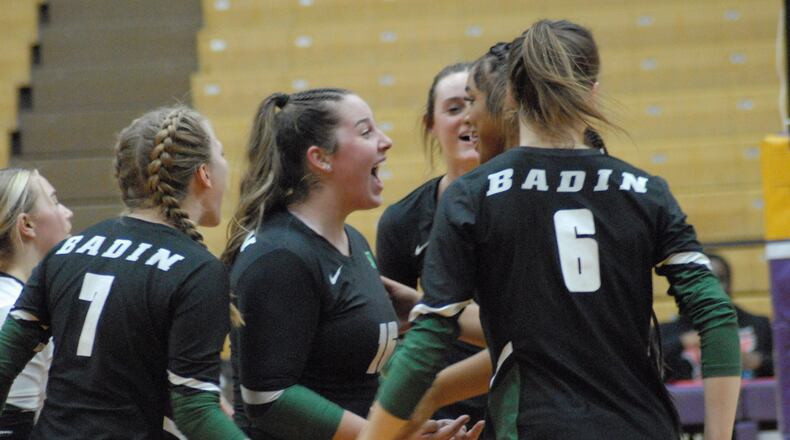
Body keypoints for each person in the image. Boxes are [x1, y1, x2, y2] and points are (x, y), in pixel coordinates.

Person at [361, 19, 741, 440]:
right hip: (642, 425)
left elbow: (430, 339)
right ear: (591, 91)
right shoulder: (645, 190)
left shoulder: (474, 193)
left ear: (510, 94)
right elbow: (716, 316)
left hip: (537, 425)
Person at [223, 89, 480, 440]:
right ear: (321, 159)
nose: (386, 141)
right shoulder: (279, 255)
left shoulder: (353, 241)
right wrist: (390, 436)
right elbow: (268, 398)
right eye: (365, 132)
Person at [0, 107, 247, 439]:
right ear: (204, 173)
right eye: (221, 153)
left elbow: (3, 364)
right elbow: (195, 413)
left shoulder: (67, 252)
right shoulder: (197, 270)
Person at [376, 62, 490, 424]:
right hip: (442, 413)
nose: (467, 118)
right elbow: (395, 340)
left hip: (525, 401)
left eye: (476, 105)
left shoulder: (527, 205)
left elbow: (534, 331)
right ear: (431, 124)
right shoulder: (401, 221)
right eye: (454, 108)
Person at [0, 169, 72, 439]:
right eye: (54, 201)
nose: (67, 213)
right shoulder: (10, 309)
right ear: (26, 224)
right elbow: (10, 428)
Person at [662, 252, 774, 381]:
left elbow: (783, 369)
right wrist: (682, 343)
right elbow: (649, 370)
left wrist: (759, 361)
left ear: (730, 284)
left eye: (720, 279)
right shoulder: (667, 333)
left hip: (749, 400)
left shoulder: (759, 325)